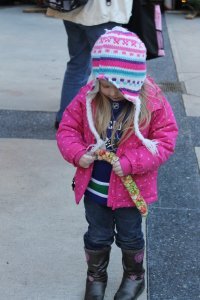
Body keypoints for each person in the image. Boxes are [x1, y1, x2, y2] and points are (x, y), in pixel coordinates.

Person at [56, 27, 178, 300]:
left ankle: (135, 277)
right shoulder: (89, 96)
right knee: (96, 235)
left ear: (133, 78)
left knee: (130, 235)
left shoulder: (153, 101)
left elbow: (166, 141)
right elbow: (67, 129)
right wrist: (77, 153)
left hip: (130, 190)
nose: (110, 91)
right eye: (104, 84)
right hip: (95, 189)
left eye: (117, 85)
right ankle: (95, 277)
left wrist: (132, 162)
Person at [46, 0, 133, 129]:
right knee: (110, 70)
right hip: (103, 12)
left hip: (72, 9)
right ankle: (110, 123)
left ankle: (66, 120)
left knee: (77, 65)